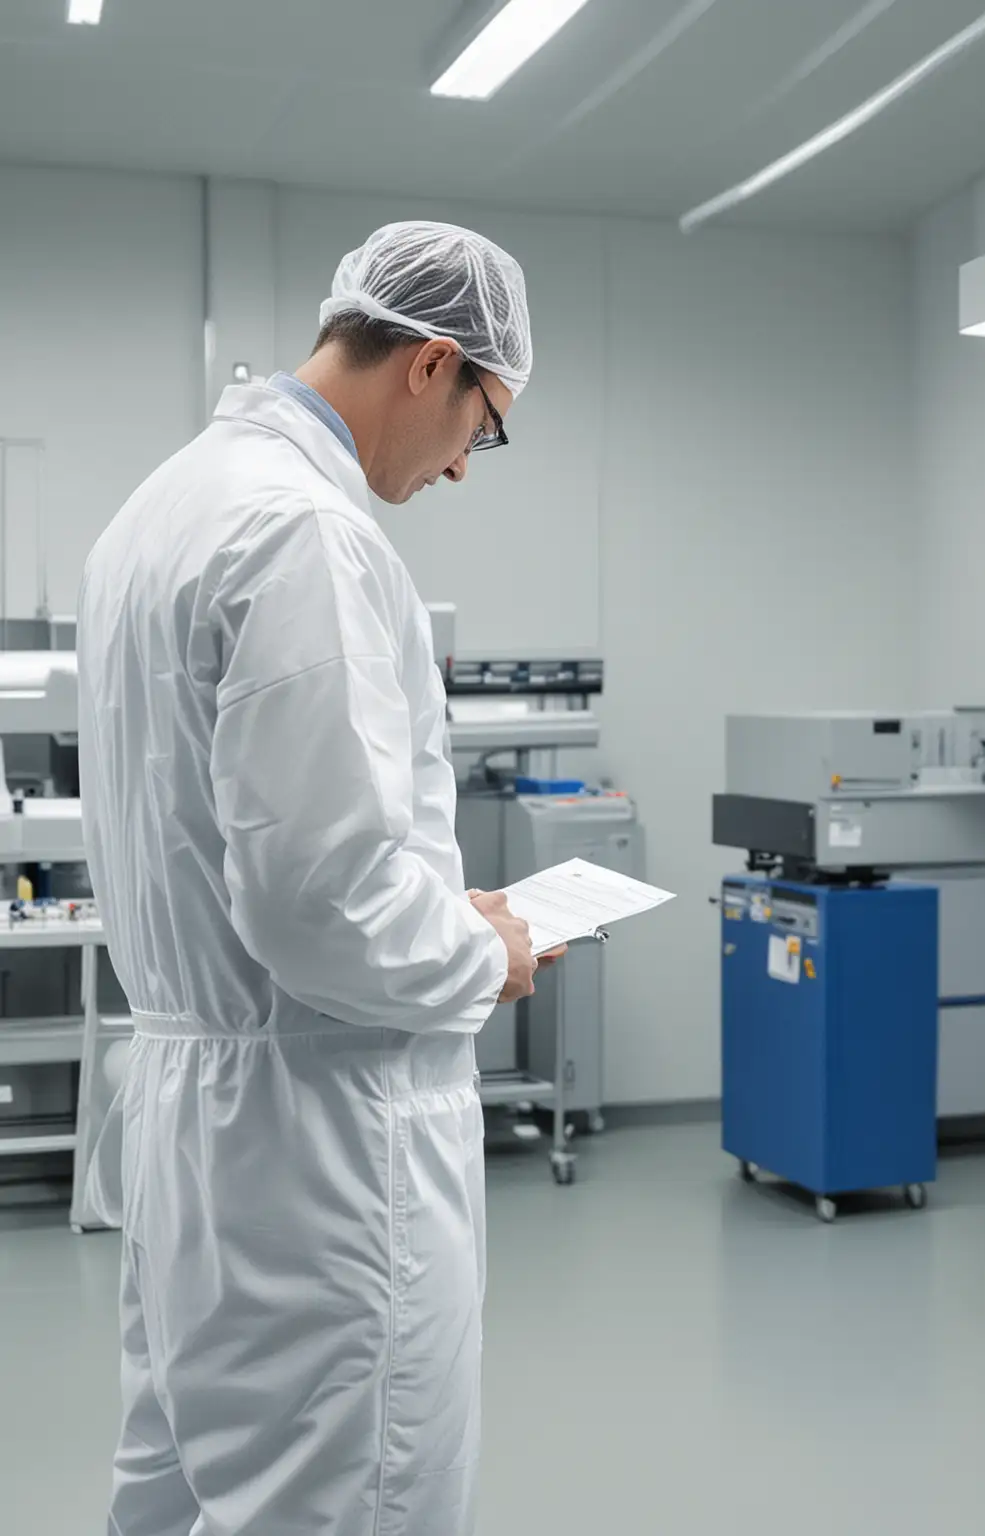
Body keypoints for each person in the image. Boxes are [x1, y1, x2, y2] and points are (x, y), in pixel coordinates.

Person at [77, 220, 552, 1536]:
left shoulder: (159, 511)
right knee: (351, 1502)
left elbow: (255, 858)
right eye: (485, 425)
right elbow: (320, 903)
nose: (464, 468)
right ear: (431, 365)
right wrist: (483, 949)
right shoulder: (305, 537)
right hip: (318, 1153)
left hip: (195, 1125)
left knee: (176, 1490)